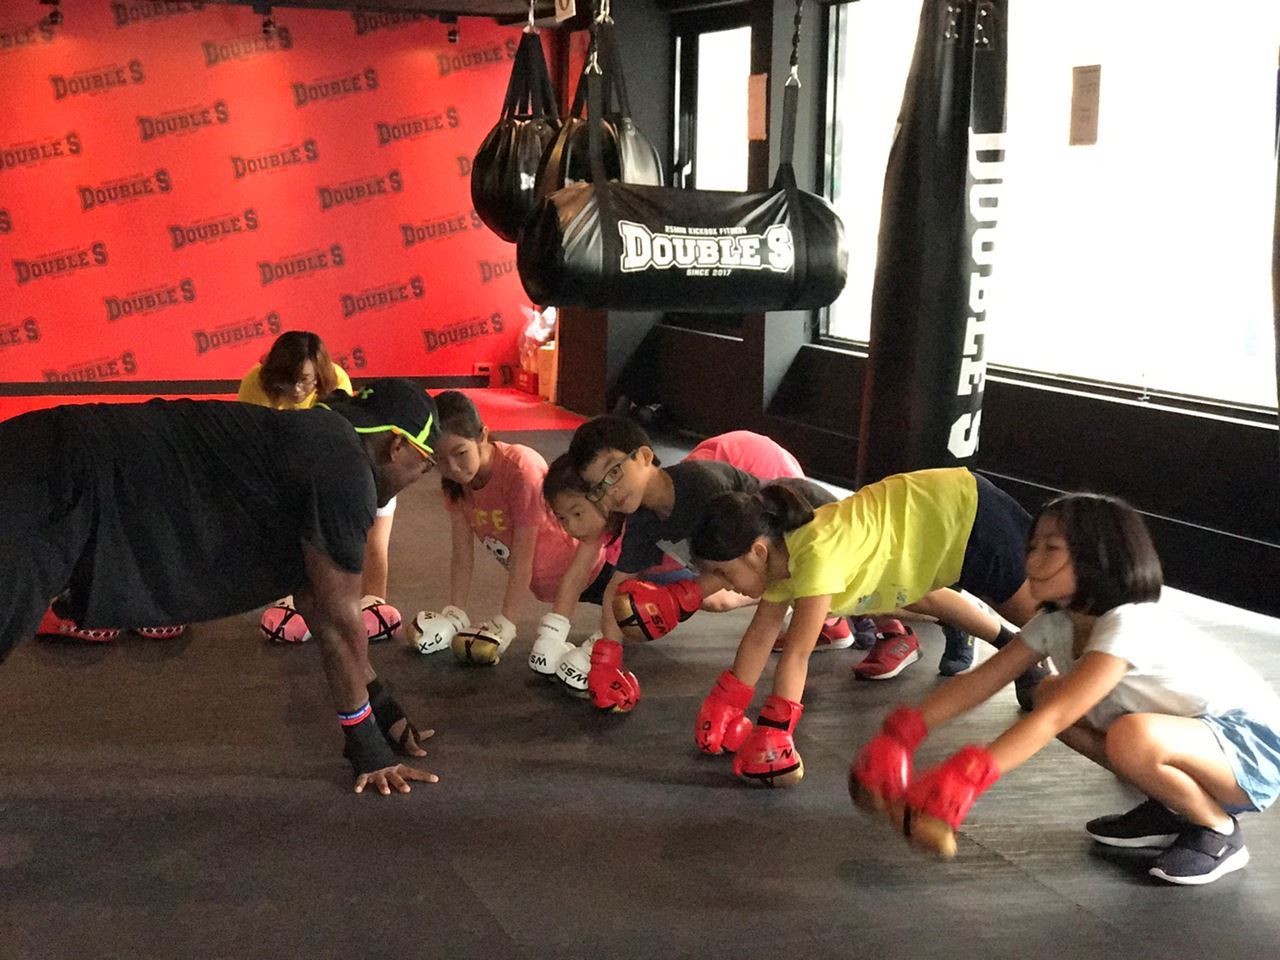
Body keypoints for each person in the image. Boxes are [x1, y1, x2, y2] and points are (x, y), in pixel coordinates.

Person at [0, 378, 442, 796]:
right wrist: (368, 749)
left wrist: (380, 706)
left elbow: (314, 599)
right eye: (424, 465)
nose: (418, 478)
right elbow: (339, 619)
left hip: (57, 455)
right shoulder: (344, 470)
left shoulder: (324, 439)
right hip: (54, 475)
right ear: (397, 446)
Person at [851, 492, 1280, 885]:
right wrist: (903, 731)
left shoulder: (1129, 622)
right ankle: (1173, 808)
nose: (1032, 560)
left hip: (1254, 750)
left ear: (1099, 558)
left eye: (1051, 549)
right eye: (1033, 547)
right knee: (1048, 693)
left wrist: (969, 776)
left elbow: (1056, 718)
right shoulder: (1056, 622)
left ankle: (1218, 830)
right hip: (1195, 744)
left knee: (1122, 733)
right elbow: (983, 680)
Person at [689, 468, 1049, 787]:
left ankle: (1068, 688)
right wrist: (726, 703)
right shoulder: (781, 563)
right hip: (929, 529)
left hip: (966, 514)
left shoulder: (815, 556)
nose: (723, 584)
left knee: (1054, 622)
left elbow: (797, 653)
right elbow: (759, 636)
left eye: (723, 572)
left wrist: (776, 731)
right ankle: (1024, 659)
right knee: (938, 603)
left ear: (758, 552)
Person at [565, 416, 846, 714]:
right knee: (729, 602)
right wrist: (606, 660)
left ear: (644, 456)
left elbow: (742, 553)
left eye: (614, 472)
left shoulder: (702, 486)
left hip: (812, 525)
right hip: (771, 561)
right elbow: (617, 588)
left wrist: (681, 596)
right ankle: (839, 620)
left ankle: (862, 625)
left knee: (860, 592)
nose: (611, 491)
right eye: (598, 488)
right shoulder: (642, 521)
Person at [413, 391, 608, 669]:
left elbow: (522, 557)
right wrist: (455, 611)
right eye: (440, 460)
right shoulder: (456, 485)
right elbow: (462, 554)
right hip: (552, 584)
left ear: (483, 435)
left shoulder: (520, 470)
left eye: (460, 453)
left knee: (644, 605)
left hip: (594, 569)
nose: (452, 468)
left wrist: (507, 622)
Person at [238, 331, 394, 602]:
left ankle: (373, 606)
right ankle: (286, 599)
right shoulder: (256, 382)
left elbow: (341, 446)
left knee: (362, 540)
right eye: (287, 381)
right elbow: (251, 444)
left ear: (319, 376)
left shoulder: (337, 382)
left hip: (326, 466)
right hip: (277, 466)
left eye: (304, 380)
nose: (296, 390)